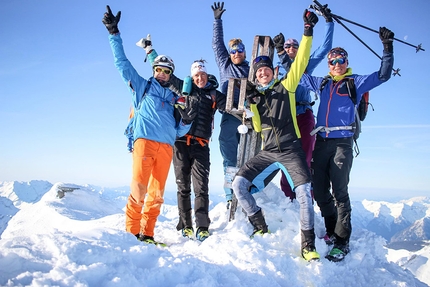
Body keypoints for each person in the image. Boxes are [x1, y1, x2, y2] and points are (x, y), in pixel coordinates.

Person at [102, 6, 196, 246]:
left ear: (170, 74)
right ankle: (131, 234)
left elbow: (179, 132)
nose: (162, 74)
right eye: (158, 69)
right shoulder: (142, 88)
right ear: (153, 70)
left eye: (166, 71)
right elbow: (122, 64)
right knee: (139, 190)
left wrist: (187, 119)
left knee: (156, 195)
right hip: (144, 142)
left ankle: (148, 234)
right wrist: (114, 33)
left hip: (166, 147)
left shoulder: (176, 100)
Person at [231, 10, 320, 262]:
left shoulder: (287, 86)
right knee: (238, 185)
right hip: (268, 151)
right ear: (255, 76)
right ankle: (259, 226)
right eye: (258, 72)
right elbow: (259, 129)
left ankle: (308, 245)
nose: (262, 73)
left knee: (304, 192)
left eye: (266, 70)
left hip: (291, 149)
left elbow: (301, 61)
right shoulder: (257, 98)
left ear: (273, 71)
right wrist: (254, 106)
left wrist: (307, 31)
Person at [299, 27, 395, 261]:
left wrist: (387, 48)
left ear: (346, 62)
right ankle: (332, 231)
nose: (337, 64)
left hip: (342, 143)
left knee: (340, 191)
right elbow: (298, 74)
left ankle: (342, 242)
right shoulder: (322, 84)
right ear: (328, 65)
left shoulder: (355, 82)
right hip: (321, 141)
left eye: (340, 60)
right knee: (320, 192)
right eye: (332, 61)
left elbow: (383, 75)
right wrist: (283, 52)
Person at [136, 36, 227, 242]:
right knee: (182, 186)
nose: (200, 78)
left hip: (202, 145)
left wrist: (246, 107)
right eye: (196, 75)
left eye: (202, 74)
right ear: (192, 76)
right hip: (180, 144)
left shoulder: (213, 94)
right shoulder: (183, 88)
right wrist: (150, 50)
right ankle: (185, 225)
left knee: (201, 187)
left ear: (206, 74)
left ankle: (202, 226)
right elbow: (162, 71)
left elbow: (229, 106)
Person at [272, 5, 334, 202]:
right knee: (285, 157)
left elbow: (325, 48)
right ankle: (287, 198)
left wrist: (329, 22)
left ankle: (306, 196)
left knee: (306, 156)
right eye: (287, 46)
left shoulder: (305, 63)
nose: (290, 48)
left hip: (304, 113)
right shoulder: (276, 69)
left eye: (294, 46)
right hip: (284, 116)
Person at [211, 2, 250, 207]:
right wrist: (217, 20)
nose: (236, 53)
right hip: (228, 114)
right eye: (234, 50)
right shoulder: (225, 64)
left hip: (247, 116)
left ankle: (248, 189)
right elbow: (217, 44)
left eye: (240, 50)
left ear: (245, 53)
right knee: (228, 154)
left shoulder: (251, 70)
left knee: (249, 155)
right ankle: (229, 195)